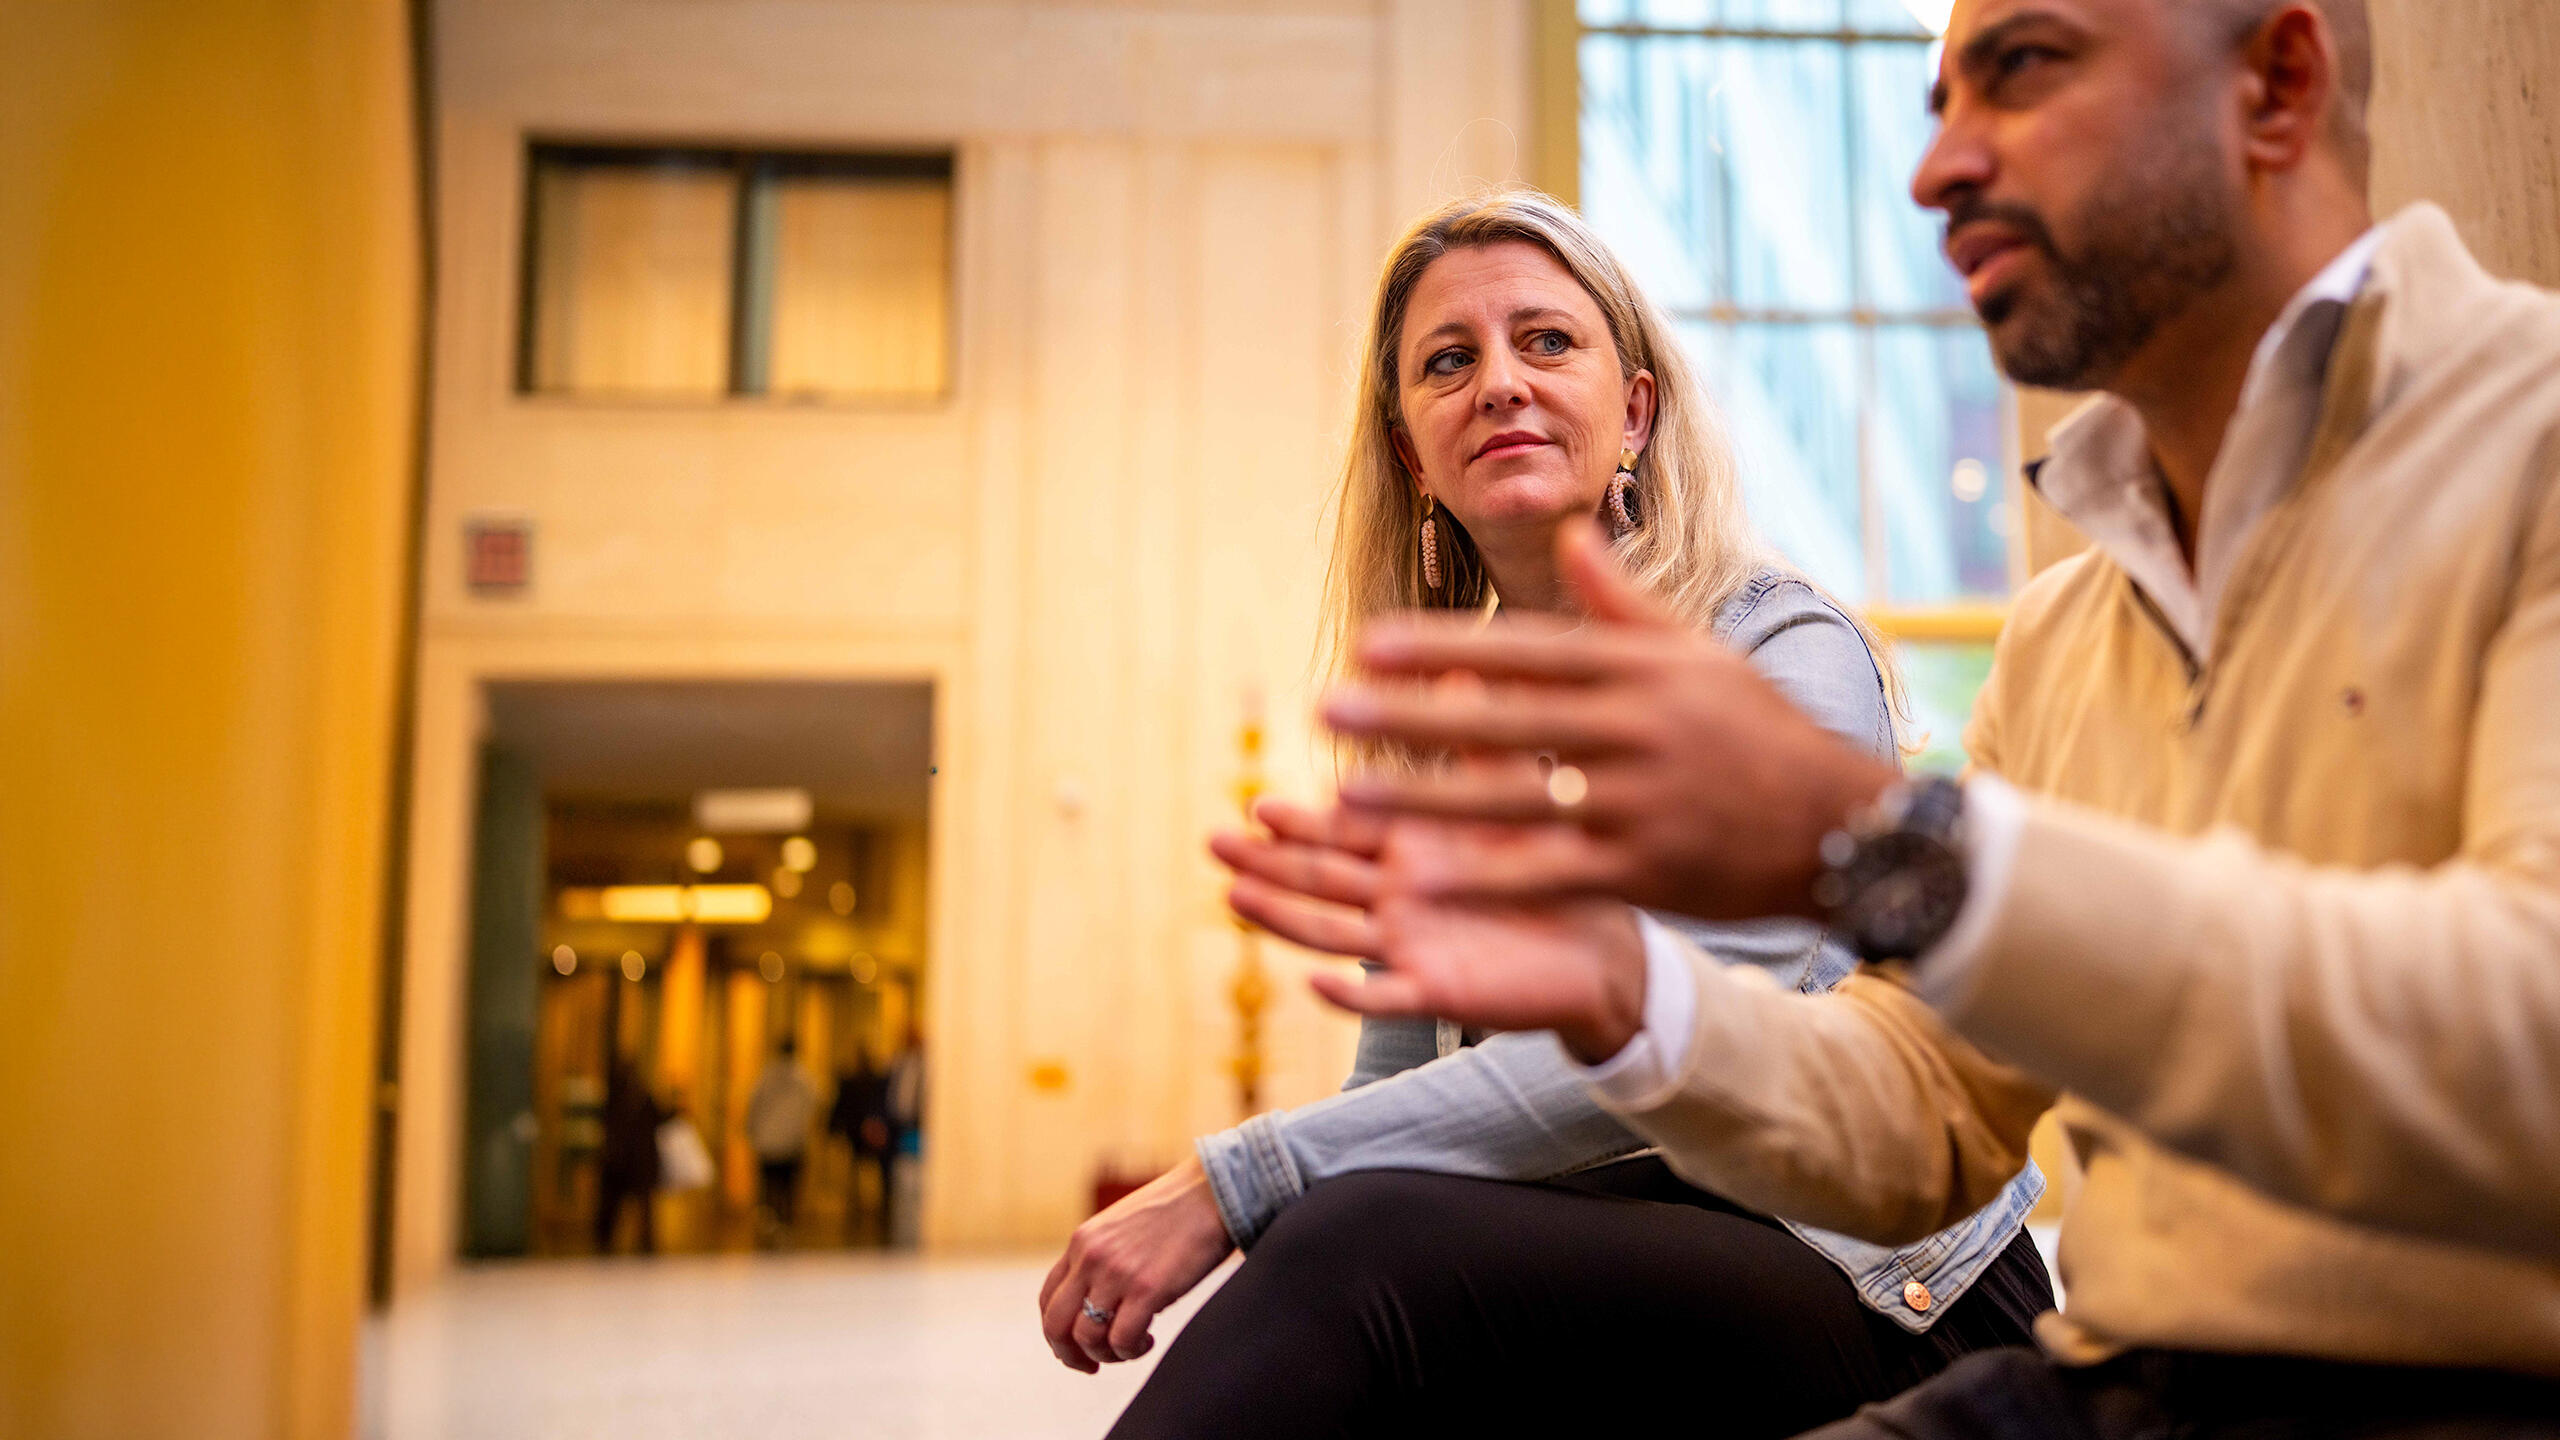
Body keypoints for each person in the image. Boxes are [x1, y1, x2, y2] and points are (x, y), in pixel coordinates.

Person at [1312, 1, 2560, 1435]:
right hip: (2123, 1388)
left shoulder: (2530, 438)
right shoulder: (2068, 629)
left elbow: (2528, 1028)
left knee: (1368, 1260)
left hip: (2468, 1395)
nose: (1936, 169)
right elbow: (1929, 1108)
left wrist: (1898, 849)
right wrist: (1625, 996)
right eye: (1939, 103)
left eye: (2021, 68)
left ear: (2275, 85)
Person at [1043, 190, 2053, 1439]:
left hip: (1871, 1283)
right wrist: (1269, 1204)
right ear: (1412, 455)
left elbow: (1683, 1042)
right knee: (1348, 1236)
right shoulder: (1437, 737)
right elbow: (1394, 1084)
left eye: (1546, 341)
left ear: (1633, 411)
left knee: (1361, 1243)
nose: (1500, 384)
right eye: (1448, 362)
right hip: (1600, 1256)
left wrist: (1232, 1180)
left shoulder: (1775, 647)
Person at [746, 1037, 818, 1241]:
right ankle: (785, 1222)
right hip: (793, 1141)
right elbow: (813, 1108)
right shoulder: (805, 1079)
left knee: (770, 1183)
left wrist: (752, 1130)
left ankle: (771, 1219)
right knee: (788, 1186)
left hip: (768, 1140)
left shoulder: (767, 1076)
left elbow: (755, 1104)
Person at [595, 1057, 665, 1255]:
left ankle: (634, 1241)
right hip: (631, 1161)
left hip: (627, 1161)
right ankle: (639, 1242)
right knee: (633, 1205)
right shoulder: (634, 1096)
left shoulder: (623, 1096)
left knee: (626, 1205)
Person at [829, 1051, 892, 1244]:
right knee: (870, 1173)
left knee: (861, 1172)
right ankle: (874, 1208)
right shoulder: (873, 1082)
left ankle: (864, 1208)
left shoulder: (859, 1082)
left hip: (860, 1133)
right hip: (862, 1133)